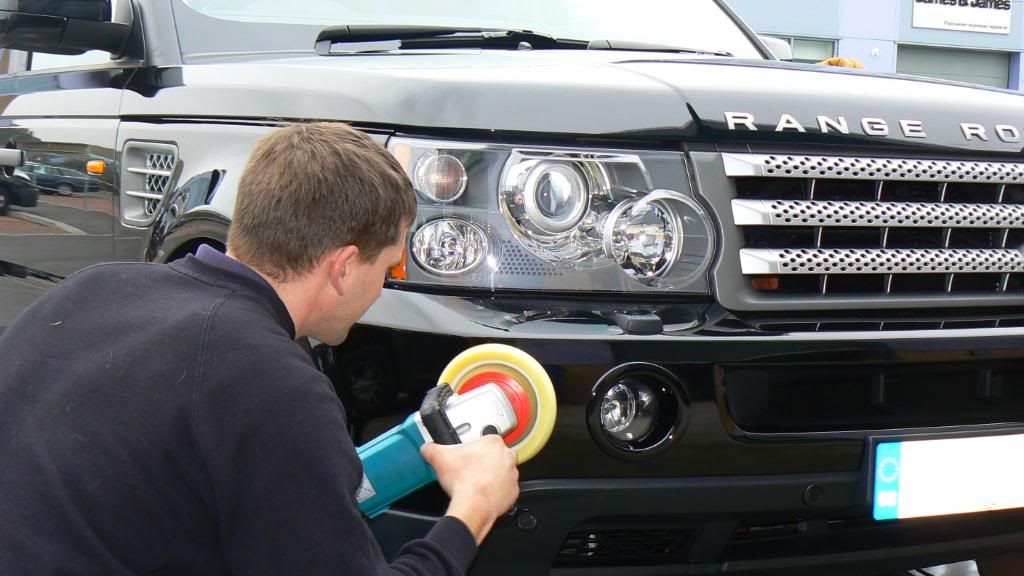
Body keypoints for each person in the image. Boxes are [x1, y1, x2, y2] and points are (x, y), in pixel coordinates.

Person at [0, 122, 520, 574]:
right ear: (341, 268)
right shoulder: (274, 384)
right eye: (386, 267)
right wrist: (474, 507)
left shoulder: (92, 289)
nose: (381, 287)